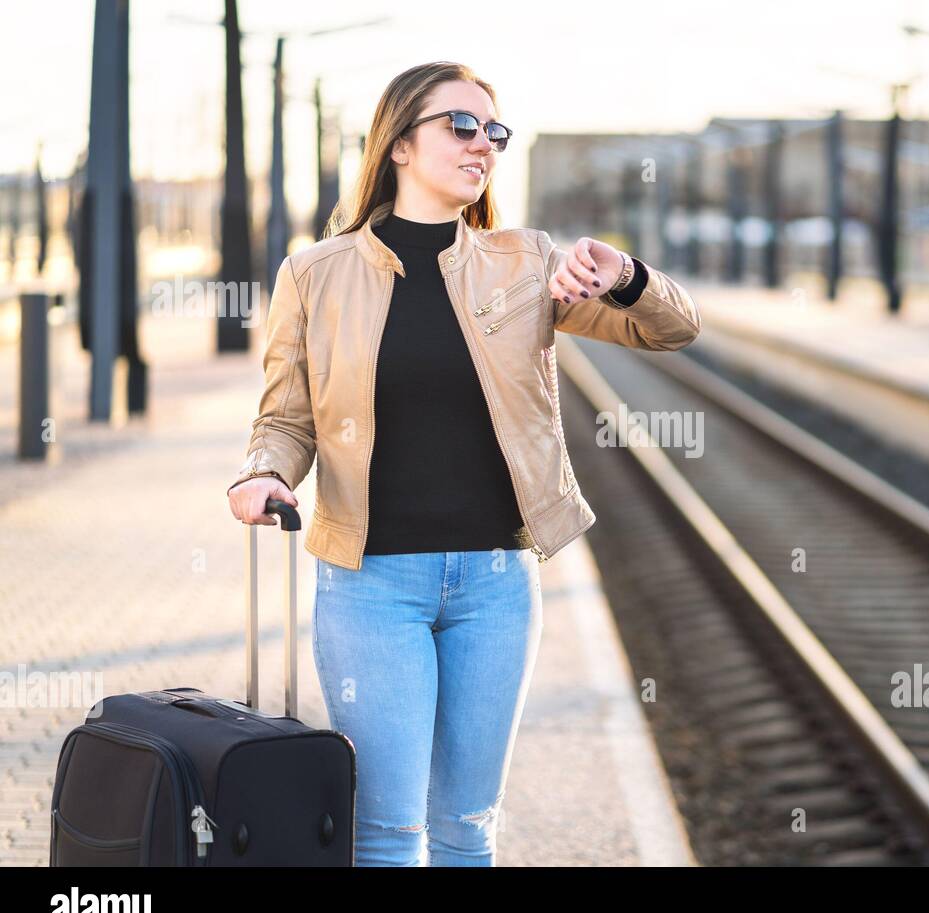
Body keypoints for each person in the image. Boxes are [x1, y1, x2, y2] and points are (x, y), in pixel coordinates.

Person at [226, 61, 700, 866]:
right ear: (400, 141)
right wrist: (262, 471)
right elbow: (284, 416)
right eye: (461, 125)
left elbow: (671, 330)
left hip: (496, 583)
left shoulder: (526, 265)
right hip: (370, 585)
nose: (484, 143)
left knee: (467, 827)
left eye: (495, 131)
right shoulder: (316, 274)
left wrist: (622, 275)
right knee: (384, 831)